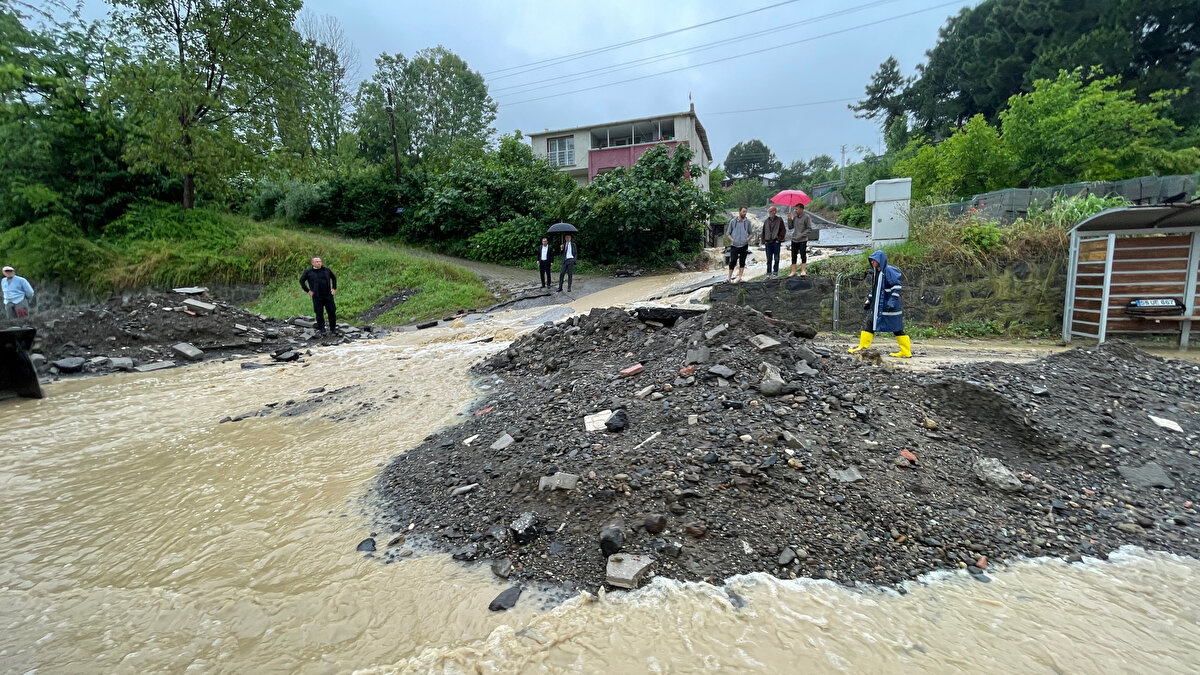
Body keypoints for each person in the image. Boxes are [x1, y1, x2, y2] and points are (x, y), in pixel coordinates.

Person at [848, 250, 911, 358]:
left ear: (880, 260)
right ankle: (862, 348)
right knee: (870, 323)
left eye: (874, 260)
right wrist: (869, 300)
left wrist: (892, 301)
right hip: (878, 306)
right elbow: (875, 289)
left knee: (897, 328)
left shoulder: (889, 271)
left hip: (888, 306)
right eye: (871, 260)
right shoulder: (877, 272)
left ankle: (906, 351)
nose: (872, 262)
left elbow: (896, 287)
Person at [299, 256, 338, 335]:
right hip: (317, 296)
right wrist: (308, 291)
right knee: (319, 313)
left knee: (332, 312)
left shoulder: (326, 270)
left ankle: (333, 328)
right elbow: (301, 280)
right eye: (317, 261)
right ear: (312, 263)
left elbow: (334, 278)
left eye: (320, 261)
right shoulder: (309, 271)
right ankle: (322, 329)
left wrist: (334, 288)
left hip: (328, 295)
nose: (319, 263)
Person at [725, 207, 752, 283]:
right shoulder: (733, 221)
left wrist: (747, 239)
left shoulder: (747, 222)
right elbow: (728, 233)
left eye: (746, 212)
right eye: (743, 211)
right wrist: (732, 240)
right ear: (739, 212)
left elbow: (751, 233)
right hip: (734, 245)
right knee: (733, 261)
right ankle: (729, 278)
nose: (745, 213)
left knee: (742, 261)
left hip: (744, 245)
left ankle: (740, 277)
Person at [787, 203, 813, 277]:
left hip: (802, 239)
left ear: (801, 209)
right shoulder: (795, 218)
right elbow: (790, 227)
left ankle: (803, 270)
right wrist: (789, 219)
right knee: (793, 255)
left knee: (803, 254)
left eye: (797, 209)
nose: (795, 210)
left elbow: (809, 229)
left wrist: (801, 235)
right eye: (795, 209)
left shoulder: (806, 217)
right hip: (794, 239)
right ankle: (793, 271)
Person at [762, 206, 786, 278]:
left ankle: (775, 273)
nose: (770, 213)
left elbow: (783, 230)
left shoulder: (779, 220)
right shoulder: (766, 221)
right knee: (769, 259)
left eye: (771, 211)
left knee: (776, 258)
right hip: (768, 243)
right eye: (769, 211)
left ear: (775, 211)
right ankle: (768, 273)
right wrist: (764, 241)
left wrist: (779, 239)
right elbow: (763, 231)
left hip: (776, 242)